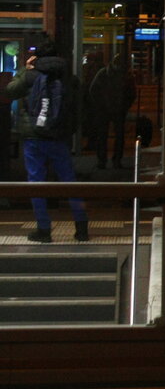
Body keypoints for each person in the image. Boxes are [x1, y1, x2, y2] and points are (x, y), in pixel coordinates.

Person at [5, 36, 88, 242]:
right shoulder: (69, 78)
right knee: (69, 182)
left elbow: (10, 91)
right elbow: (79, 106)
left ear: (36, 57)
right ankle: (82, 227)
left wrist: (25, 69)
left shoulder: (31, 76)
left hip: (34, 138)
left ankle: (43, 229)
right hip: (59, 137)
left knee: (36, 182)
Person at [89, 54, 135, 169]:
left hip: (104, 109)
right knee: (119, 136)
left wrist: (99, 105)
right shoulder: (126, 76)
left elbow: (93, 90)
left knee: (102, 135)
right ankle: (116, 160)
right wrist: (125, 106)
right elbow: (132, 93)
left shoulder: (103, 73)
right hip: (119, 109)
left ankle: (102, 160)